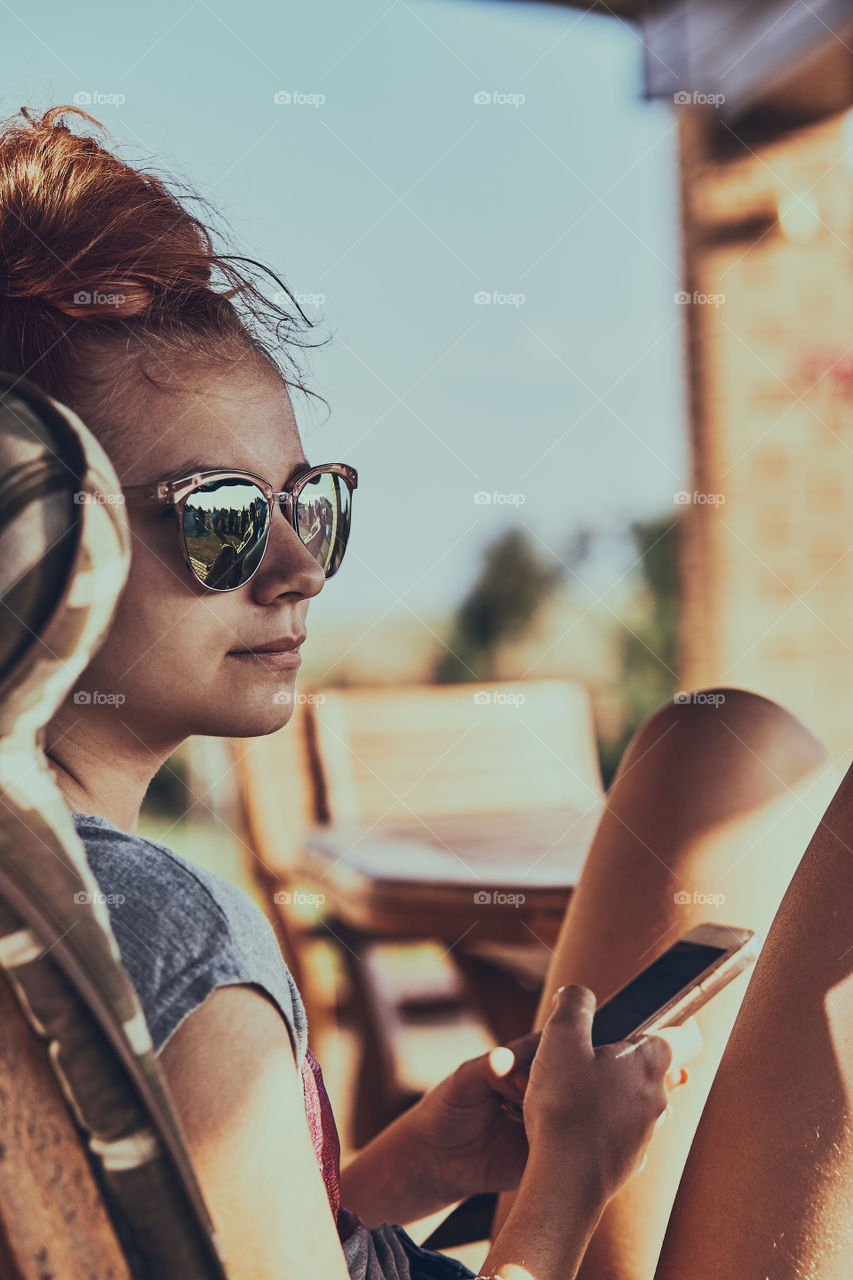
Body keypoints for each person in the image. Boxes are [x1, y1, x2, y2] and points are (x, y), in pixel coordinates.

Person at [0, 104, 845, 1280]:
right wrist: (569, 1171)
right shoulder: (182, 950)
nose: (298, 568)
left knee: (728, 746)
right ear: (49, 536)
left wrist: (403, 1169)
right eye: (221, 520)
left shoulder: (60, 906)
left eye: (307, 503)